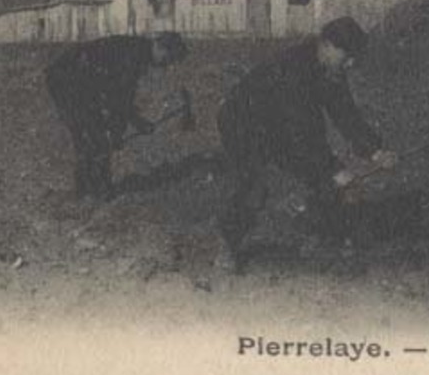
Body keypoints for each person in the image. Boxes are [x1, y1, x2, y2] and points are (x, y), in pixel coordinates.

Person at [214, 16, 397, 273]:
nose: (351, 63)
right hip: (243, 123)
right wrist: (331, 169)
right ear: (327, 45)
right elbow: (303, 132)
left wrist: (374, 151)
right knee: (253, 184)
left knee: (325, 177)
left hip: (280, 125)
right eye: (348, 55)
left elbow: (345, 113)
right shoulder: (293, 69)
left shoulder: (331, 69)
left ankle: (322, 238)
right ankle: (227, 247)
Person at [45, 31, 190, 199]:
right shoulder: (133, 56)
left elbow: (120, 96)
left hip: (80, 80)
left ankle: (91, 189)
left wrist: (120, 129)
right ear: (160, 47)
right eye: (169, 59)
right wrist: (134, 124)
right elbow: (118, 97)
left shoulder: (139, 52)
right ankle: (94, 190)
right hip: (67, 79)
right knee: (92, 133)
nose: (167, 65)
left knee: (94, 133)